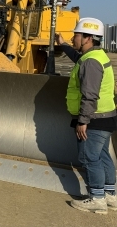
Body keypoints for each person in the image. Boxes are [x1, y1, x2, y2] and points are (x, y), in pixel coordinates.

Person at [56, 17, 117, 214]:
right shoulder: (96, 56)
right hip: (106, 117)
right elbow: (78, 58)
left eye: (77, 35)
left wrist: (83, 121)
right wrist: (63, 44)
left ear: (88, 38)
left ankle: (97, 199)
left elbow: (90, 95)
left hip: (94, 119)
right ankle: (110, 195)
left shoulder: (91, 62)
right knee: (102, 155)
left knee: (89, 157)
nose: (74, 38)